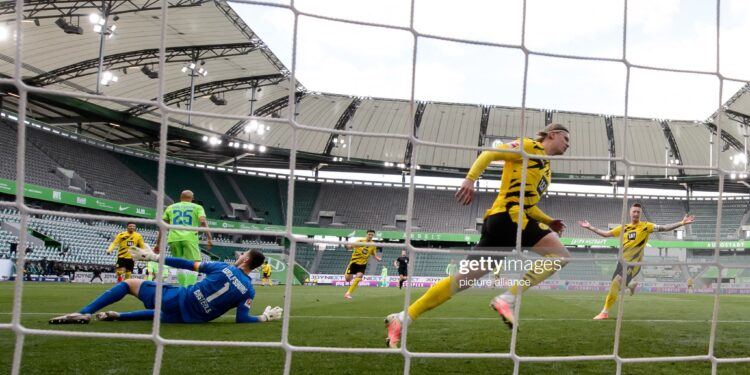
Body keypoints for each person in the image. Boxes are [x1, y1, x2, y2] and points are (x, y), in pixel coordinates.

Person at [385, 123, 571, 348]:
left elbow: (529, 204)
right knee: (560, 256)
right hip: (509, 218)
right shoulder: (528, 146)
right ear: (552, 134)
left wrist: (548, 221)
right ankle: (507, 299)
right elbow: (490, 153)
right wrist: (470, 179)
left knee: (462, 280)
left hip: (503, 226)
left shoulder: (547, 170)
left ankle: (403, 318)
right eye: (566, 138)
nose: (568, 144)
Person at [49, 246, 283, 324]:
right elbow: (242, 319)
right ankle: (119, 316)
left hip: (179, 299)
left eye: (243, 254)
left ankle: (84, 313)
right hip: (192, 319)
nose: (240, 255)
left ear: (245, 259)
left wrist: (153, 257)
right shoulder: (249, 290)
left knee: (130, 283)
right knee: (159, 314)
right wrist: (263, 318)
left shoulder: (224, 267)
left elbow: (184, 264)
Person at [578, 203, 694, 320]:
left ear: (640, 214)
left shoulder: (646, 226)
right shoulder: (624, 228)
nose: (636, 214)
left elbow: (664, 227)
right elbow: (606, 234)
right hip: (622, 262)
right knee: (616, 286)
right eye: (634, 211)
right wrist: (590, 227)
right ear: (630, 212)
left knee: (615, 284)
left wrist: (681, 223)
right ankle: (631, 285)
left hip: (633, 264)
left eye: (638, 212)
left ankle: (604, 312)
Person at [155, 190, 213, 287]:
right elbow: (202, 221)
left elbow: (163, 226)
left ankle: (182, 287)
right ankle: (189, 288)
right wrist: (209, 237)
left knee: (179, 264)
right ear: (192, 198)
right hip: (189, 238)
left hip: (173, 239)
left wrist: (158, 244)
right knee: (195, 263)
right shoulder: (197, 207)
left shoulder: (171, 207)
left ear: (180, 197)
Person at [344, 229, 381, 299]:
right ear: (366, 234)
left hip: (363, 264)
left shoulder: (373, 245)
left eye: (372, 235)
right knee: (348, 279)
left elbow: (373, 254)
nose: (370, 236)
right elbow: (349, 247)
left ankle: (348, 293)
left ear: (373, 236)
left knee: (359, 276)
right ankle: (347, 269)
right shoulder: (359, 241)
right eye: (369, 234)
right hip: (354, 262)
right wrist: (346, 244)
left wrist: (377, 258)